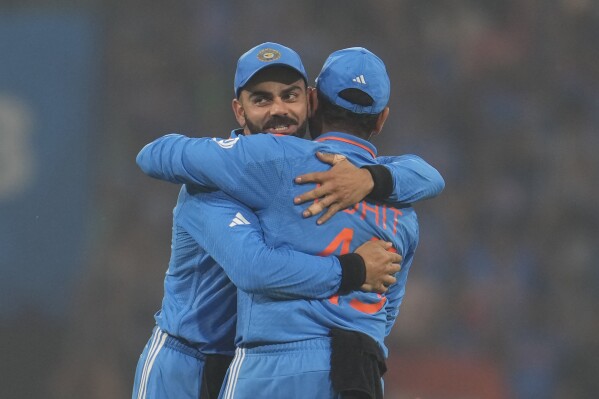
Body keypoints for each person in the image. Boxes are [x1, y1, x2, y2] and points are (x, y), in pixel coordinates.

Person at [134, 43, 444, 399]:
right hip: (187, 363)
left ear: (310, 101)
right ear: (239, 111)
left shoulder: (318, 172)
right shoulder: (211, 185)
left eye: (289, 95)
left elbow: (426, 174)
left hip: (251, 362)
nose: (279, 110)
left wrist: (372, 179)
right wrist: (354, 270)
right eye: (262, 100)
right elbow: (255, 269)